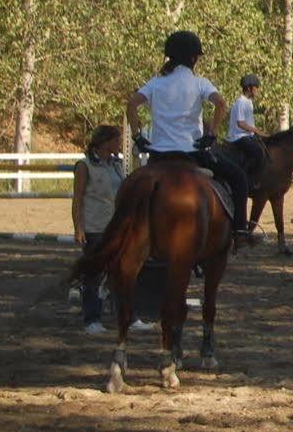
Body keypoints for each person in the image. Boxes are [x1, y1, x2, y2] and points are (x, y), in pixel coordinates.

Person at [125, 30, 256, 242]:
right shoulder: (200, 83)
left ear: (170, 56)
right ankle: (240, 230)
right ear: (194, 58)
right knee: (239, 177)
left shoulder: (155, 83)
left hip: (158, 155)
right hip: (192, 153)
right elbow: (221, 104)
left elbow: (131, 104)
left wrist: (138, 136)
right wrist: (212, 133)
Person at [71, 125, 125, 334]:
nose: (119, 144)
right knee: (93, 274)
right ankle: (91, 318)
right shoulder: (85, 166)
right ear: (106, 142)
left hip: (116, 226)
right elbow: (78, 199)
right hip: (95, 226)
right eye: (116, 140)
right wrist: (79, 227)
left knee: (120, 272)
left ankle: (126, 315)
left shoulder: (116, 166)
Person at [229, 74, 261, 142]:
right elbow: (240, 123)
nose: (258, 90)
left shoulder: (249, 102)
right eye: (256, 87)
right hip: (239, 137)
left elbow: (249, 124)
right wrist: (255, 130)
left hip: (248, 136)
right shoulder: (241, 101)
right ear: (249, 88)